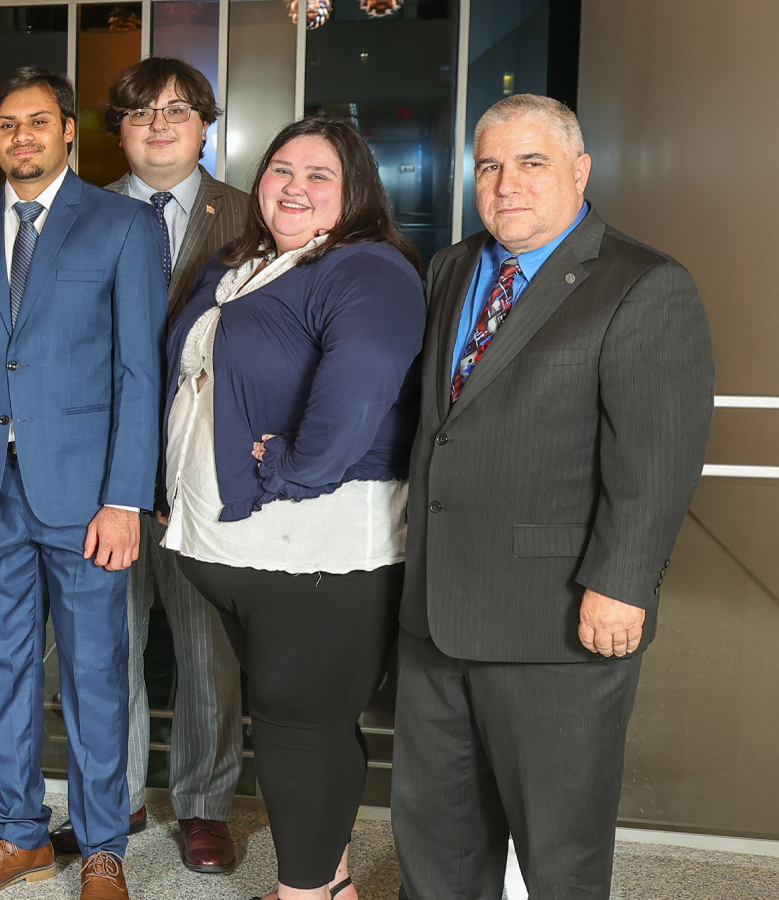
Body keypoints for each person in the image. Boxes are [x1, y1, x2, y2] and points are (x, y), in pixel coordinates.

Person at [393, 94, 714, 900]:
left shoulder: (645, 284)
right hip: (435, 614)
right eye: (490, 165)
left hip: (559, 620)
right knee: (437, 842)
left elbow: (656, 457)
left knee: (559, 856)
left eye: (531, 162)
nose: (507, 183)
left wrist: (622, 587)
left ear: (580, 171)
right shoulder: (453, 267)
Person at [164, 117, 425, 900]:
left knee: (298, 728)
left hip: (317, 546)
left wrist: (287, 468)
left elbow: (360, 391)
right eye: (281, 169)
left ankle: (304, 893)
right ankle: (334, 879)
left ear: (355, 194)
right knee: (291, 721)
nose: (294, 187)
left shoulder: (367, 268)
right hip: (232, 546)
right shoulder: (241, 264)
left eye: (319, 175)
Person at [0, 67, 164, 900]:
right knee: (4, 671)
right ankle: (19, 834)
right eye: (5, 125)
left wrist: (127, 497)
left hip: (90, 495)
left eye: (36, 123)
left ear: (68, 130)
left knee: (95, 675)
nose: (20, 138)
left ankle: (102, 849)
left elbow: (141, 370)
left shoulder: (124, 226)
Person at [61, 56, 255, 869]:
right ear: (119, 131)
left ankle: (204, 805)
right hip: (100, 470)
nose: (160, 125)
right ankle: (119, 797)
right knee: (105, 642)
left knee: (207, 646)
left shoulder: (251, 215)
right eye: (141, 113)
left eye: (178, 110)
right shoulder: (80, 215)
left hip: (203, 472)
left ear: (205, 125)